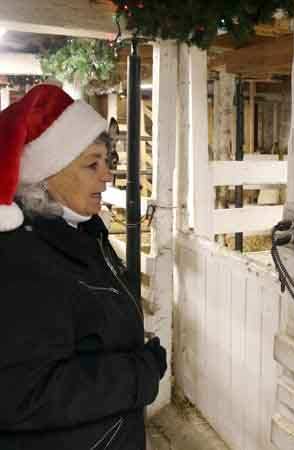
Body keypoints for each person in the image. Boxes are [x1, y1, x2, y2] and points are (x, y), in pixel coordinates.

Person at [0, 85, 167, 450]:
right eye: (93, 164)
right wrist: (141, 372)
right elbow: (22, 394)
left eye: (108, 162)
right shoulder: (22, 259)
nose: (107, 175)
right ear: (46, 173)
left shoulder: (81, 233)